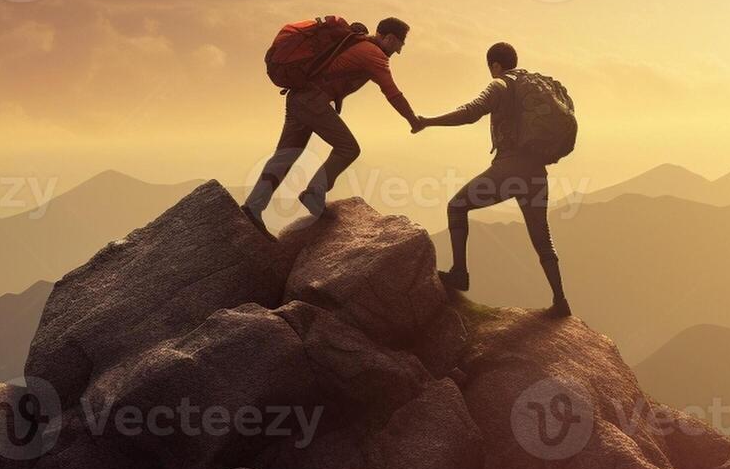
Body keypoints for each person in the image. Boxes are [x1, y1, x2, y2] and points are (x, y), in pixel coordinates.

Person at [415, 42, 571, 318]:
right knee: (542, 237)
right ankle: (560, 301)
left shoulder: (500, 85)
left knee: (457, 207)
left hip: (509, 169)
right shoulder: (533, 84)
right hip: (536, 172)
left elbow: (471, 112)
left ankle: (460, 273)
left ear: (494, 65)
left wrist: (428, 121)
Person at [243, 17, 421, 235]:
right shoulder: (373, 55)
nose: (399, 51)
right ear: (391, 38)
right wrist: (413, 119)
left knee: (286, 156)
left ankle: (253, 207)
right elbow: (392, 92)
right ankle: (314, 192)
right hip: (312, 101)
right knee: (348, 148)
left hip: (300, 98)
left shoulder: (361, 45)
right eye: (400, 44)